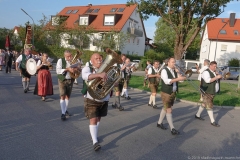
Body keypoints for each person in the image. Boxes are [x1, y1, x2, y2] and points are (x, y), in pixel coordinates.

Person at [82, 53, 110, 151]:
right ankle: (95, 141)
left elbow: (110, 81)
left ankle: (94, 135)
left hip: (103, 99)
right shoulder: (87, 68)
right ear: (92, 60)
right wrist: (99, 74)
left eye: (100, 58)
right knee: (93, 119)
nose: (99, 60)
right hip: (91, 99)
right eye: (96, 58)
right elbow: (85, 76)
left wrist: (114, 83)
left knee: (98, 119)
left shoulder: (107, 69)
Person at [157, 57, 186, 135]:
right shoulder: (164, 70)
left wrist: (179, 73)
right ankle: (172, 128)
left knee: (166, 107)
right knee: (169, 109)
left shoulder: (174, 71)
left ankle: (159, 123)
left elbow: (182, 80)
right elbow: (167, 81)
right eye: (173, 62)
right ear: (168, 63)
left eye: (175, 62)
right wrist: (177, 79)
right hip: (166, 93)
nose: (174, 64)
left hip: (173, 93)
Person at [195, 61, 222, 127]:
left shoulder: (214, 72)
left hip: (212, 91)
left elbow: (216, 80)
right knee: (209, 106)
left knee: (204, 103)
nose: (215, 68)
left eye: (216, 66)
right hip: (207, 91)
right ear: (210, 66)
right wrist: (216, 77)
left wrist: (218, 76)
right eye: (214, 66)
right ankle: (213, 121)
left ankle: (197, 115)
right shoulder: (206, 72)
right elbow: (208, 80)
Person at [56, 50, 80, 121]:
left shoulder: (74, 61)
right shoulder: (60, 60)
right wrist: (67, 69)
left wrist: (76, 69)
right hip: (62, 79)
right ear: (64, 56)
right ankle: (63, 113)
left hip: (71, 80)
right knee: (62, 96)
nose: (69, 57)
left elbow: (79, 69)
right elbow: (58, 71)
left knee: (68, 96)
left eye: (70, 56)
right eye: (68, 56)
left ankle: (65, 110)